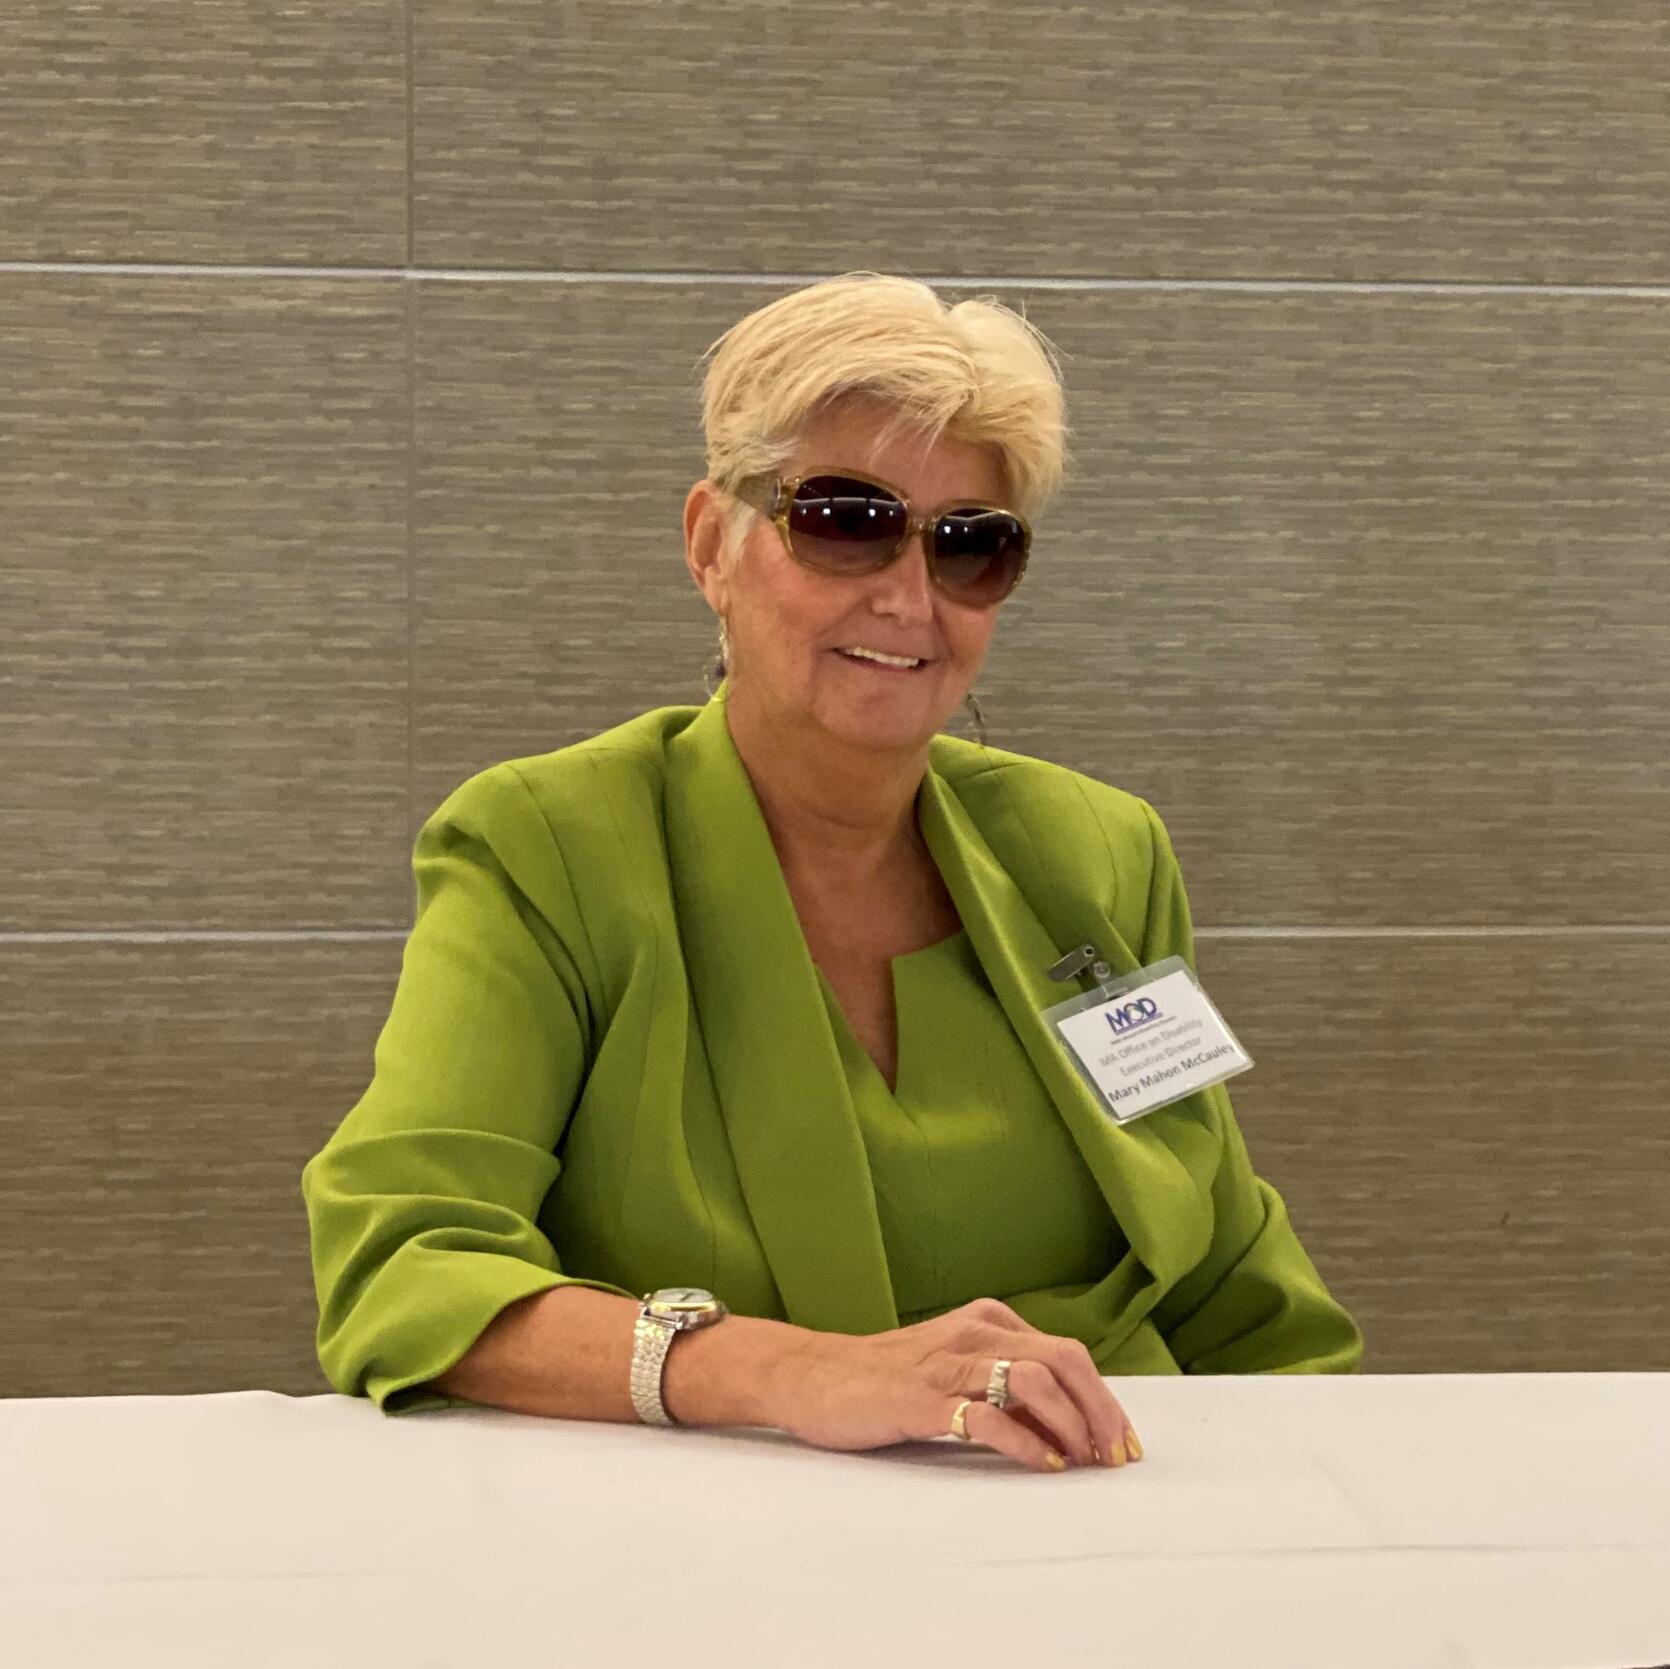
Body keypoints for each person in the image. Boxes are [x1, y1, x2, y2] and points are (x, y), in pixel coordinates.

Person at [302, 271, 1362, 1477]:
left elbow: (1239, 1293)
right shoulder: (546, 848)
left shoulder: (1097, 853)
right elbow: (403, 1265)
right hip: (716, 1547)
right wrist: (795, 1370)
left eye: (971, 546)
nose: (909, 596)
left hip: (1106, 1521)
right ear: (712, 543)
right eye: (844, 519)